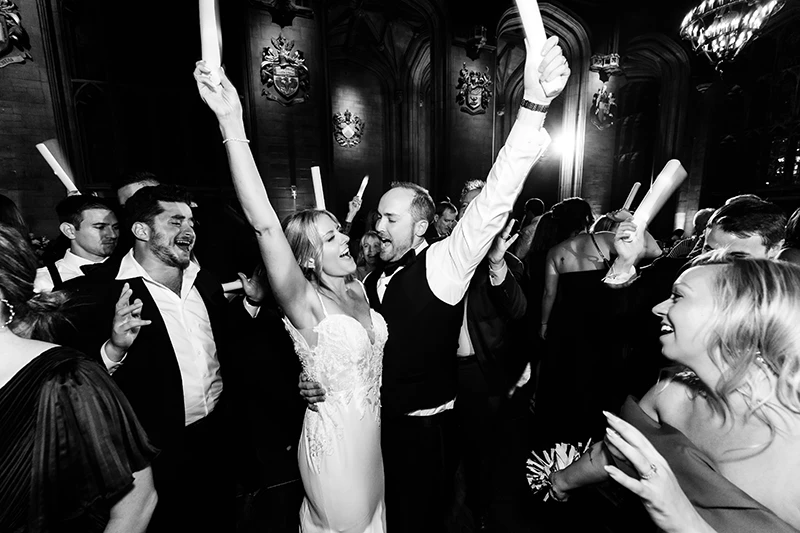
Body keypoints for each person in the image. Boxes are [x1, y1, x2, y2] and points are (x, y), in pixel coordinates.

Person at [303, 31, 572, 532]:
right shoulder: (369, 279)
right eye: (378, 218)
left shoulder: (444, 264)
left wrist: (534, 107)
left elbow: (493, 201)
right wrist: (318, 378)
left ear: (422, 226)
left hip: (425, 433)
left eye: (390, 219)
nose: (378, 227)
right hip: (371, 430)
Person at [195, 63, 388, 532]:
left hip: (371, 442)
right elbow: (264, 223)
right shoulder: (304, 302)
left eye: (340, 230)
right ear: (305, 258)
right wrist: (231, 123)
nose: (345, 238)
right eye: (330, 237)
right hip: (334, 447)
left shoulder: (358, 285)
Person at [62, 184, 263, 533]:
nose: (189, 230)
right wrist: (115, 348)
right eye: (175, 221)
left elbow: (226, 344)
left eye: (191, 221)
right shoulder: (97, 292)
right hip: (151, 456)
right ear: (142, 230)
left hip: (217, 438)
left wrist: (251, 303)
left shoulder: (204, 281)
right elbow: (71, 384)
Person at [550, 254, 800, 532]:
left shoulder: (794, 453)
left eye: (678, 297)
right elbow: (617, 451)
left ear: (739, 316)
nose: (657, 308)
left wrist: (685, 522)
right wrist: (561, 482)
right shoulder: (672, 392)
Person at [0, 223, 158, 533]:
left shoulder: (68, 379)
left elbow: (136, 504)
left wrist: (115, 348)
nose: (109, 233)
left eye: (113, 226)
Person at [536, 199, 661, 445]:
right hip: (605, 323)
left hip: (568, 327)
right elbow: (655, 252)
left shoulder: (556, 251)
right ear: (587, 219)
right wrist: (632, 220)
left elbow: (549, 294)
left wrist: (544, 325)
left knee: (568, 382)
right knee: (601, 381)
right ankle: (598, 438)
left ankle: (566, 439)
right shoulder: (607, 239)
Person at [34, 195, 120, 292]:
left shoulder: (128, 268)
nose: (113, 235)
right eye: (100, 227)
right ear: (69, 231)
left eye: (116, 227)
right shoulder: (43, 281)